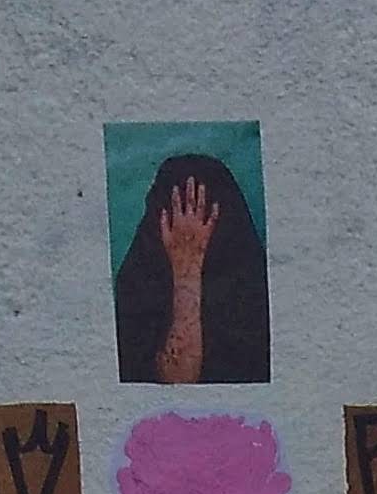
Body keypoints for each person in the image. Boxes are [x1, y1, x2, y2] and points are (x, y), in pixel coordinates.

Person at [114, 152, 271, 385]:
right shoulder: (139, 286)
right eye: (176, 211)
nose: (188, 230)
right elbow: (172, 385)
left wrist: (189, 264)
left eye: (205, 213)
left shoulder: (254, 295)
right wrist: (186, 270)